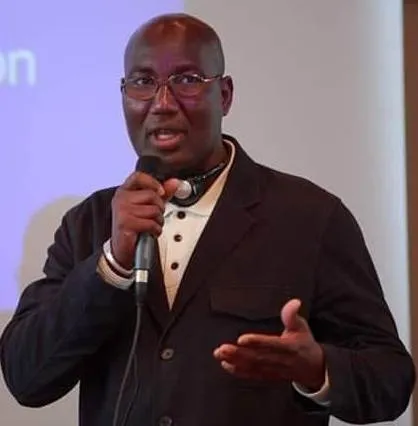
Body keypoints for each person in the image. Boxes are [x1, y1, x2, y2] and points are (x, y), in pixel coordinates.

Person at [0, 12, 415, 426]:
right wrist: (111, 265)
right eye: (143, 82)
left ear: (225, 95)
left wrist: (318, 370)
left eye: (187, 80)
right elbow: (26, 379)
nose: (162, 103)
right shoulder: (88, 223)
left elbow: (390, 378)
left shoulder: (310, 217)